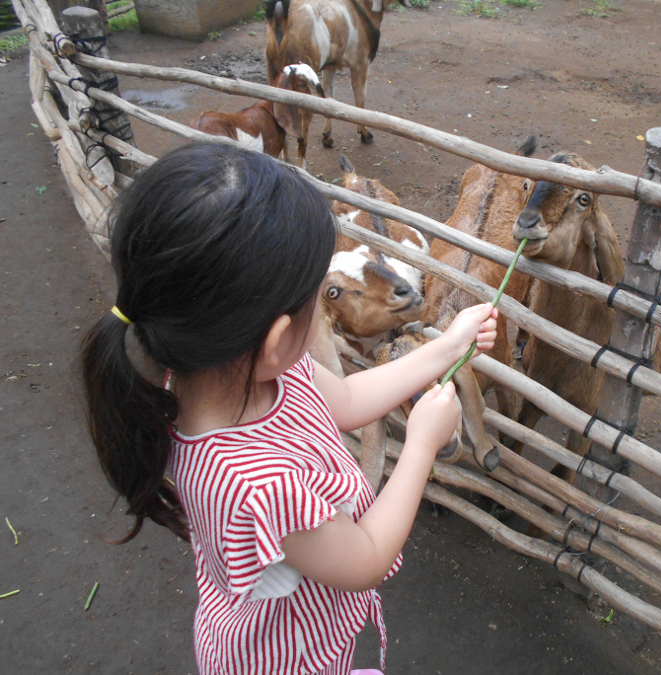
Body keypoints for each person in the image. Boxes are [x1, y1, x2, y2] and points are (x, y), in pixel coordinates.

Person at [80, 142, 499, 675]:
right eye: (319, 297)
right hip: (281, 660)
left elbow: (345, 401)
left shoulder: (243, 368)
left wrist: (446, 346)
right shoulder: (255, 485)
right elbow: (366, 556)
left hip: (295, 631)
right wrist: (420, 444)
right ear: (278, 337)